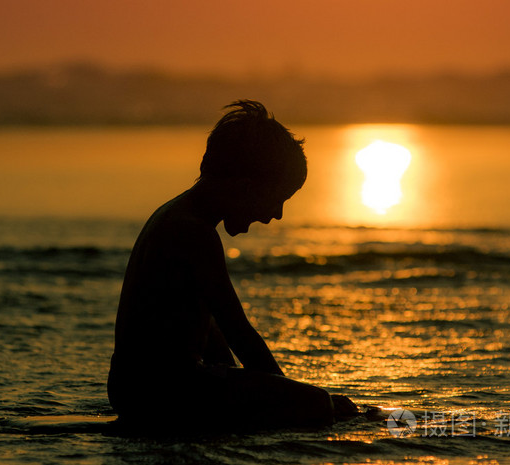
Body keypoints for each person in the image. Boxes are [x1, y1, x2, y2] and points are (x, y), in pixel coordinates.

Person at [107, 100, 357, 432]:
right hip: (162, 393)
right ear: (246, 185)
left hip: (134, 390)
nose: (276, 215)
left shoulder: (174, 216)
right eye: (277, 199)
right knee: (316, 405)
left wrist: (256, 385)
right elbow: (240, 333)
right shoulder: (193, 232)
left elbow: (211, 334)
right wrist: (293, 394)